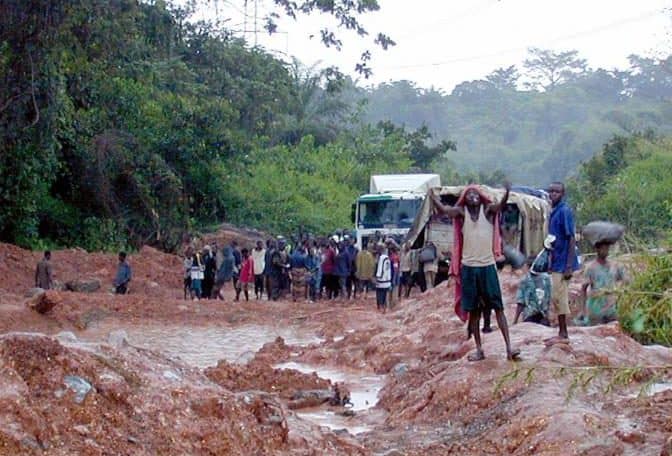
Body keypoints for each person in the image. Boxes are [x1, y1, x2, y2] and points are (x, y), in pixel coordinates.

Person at [430, 183, 520, 361]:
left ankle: (509, 347)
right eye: (469, 194)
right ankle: (479, 349)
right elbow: (445, 211)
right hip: (469, 268)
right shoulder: (461, 214)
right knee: (474, 311)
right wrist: (433, 199)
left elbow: (500, 206)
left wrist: (507, 192)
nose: (473, 197)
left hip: (487, 267)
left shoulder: (487, 211)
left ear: (481, 197)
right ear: (465, 198)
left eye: (476, 194)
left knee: (498, 308)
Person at [547, 181, 580, 343]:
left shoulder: (564, 211)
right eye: (551, 191)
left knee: (559, 296)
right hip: (556, 260)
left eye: (557, 192)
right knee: (556, 296)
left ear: (563, 194)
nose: (553, 194)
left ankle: (563, 332)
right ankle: (561, 331)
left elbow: (571, 238)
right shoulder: (553, 212)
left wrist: (568, 266)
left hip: (563, 263)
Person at [577, 241, 627, 325]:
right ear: (597, 249)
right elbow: (583, 289)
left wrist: (619, 293)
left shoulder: (614, 266)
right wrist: (582, 310)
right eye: (603, 248)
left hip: (611, 308)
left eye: (607, 249)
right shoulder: (591, 268)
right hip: (596, 308)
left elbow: (625, 280)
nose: (606, 251)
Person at [514, 259, 552, 326]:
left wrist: (515, 321)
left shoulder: (525, 280)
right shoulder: (546, 279)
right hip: (543, 316)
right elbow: (549, 299)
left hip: (530, 315)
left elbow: (520, 303)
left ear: (528, 267)